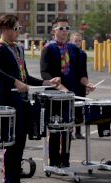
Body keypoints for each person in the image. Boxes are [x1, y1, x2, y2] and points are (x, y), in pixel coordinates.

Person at [0, 15, 60, 183]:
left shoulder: (18, 49)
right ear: (5, 29)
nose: (19, 32)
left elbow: (25, 77)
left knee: (20, 141)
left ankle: (16, 180)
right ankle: (8, 182)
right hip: (7, 101)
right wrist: (14, 82)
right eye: (16, 29)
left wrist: (47, 82)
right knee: (11, 142)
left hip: (20, 101)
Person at [40, 17, 95, 168]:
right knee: (56, 128)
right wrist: (57, 85)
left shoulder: (75, 50)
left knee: (68, 128)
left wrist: (87, 83)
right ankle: (54, 161)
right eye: (61, 28)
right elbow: (44, 73)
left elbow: (81, 73)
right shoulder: (48, 49)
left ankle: (65, 160)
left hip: (72, 95)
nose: (64, 31)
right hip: (55, 96)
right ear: (54, 31)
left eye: (67, 28)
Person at [69, 32, 94, 139]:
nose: (78, 43)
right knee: (70, 109)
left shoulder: (83, 54)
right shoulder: (67, 53)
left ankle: (78, 131)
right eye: (75, 40)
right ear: (71, 41)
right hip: (70, 84)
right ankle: (69, 132)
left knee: (80, 109)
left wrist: (87, 84)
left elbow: (84, 72)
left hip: (80, 85)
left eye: (79, 41)